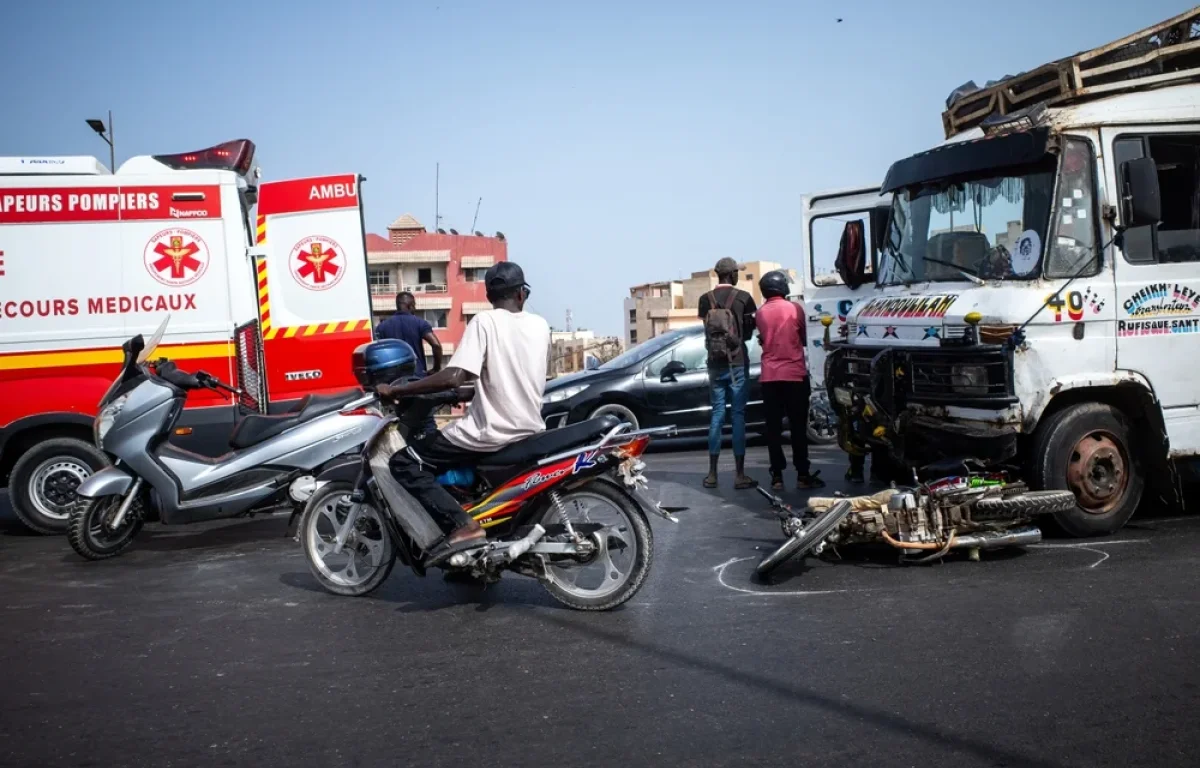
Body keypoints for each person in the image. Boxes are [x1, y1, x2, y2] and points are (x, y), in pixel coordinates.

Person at [377, 262, 550, 558]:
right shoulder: (540, 325)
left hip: (489, 433)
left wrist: (397, 390)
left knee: (404, 463)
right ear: (522, 295)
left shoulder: (485, 322)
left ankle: (464, 526)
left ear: (489, 297)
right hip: (529, 428)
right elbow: (505, 379)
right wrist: (462, 393)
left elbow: (456, 375)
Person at [755, 270, 825, 491]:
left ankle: (776, 476)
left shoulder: (761, 312)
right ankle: (802, 474)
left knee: (773, 429)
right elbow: (803, 336)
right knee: (797, 427)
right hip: (794, 375)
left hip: (769, 377)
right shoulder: (794, 308)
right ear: (783, 288)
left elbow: (764, 338)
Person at [698, 257, 757, 490]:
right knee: (738, 416)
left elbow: (707, 330)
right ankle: (739, 474)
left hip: (714, 363)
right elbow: (750, 333)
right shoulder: (744, 298)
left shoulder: (705, 300)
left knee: (717, 414)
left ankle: (712, 474)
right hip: (737, 362)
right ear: (732, 275)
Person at [375, 292, 444, 377]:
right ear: (410, 305)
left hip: (393, 380)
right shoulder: (420, 323)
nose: (415, 308)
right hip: (417, 378)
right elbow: (436, 345)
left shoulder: (381, 327)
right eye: (414, 305)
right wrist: (436, 369)